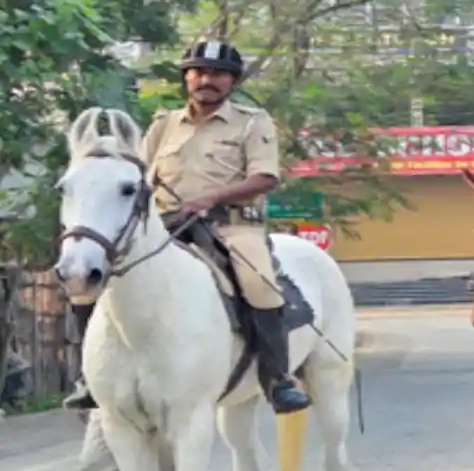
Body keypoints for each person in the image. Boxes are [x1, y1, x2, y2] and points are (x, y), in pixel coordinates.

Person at [62, 40, 311, 414]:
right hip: (167, 226)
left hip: (231, 227)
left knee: (259, 282)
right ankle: (91, 378)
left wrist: (210, 198)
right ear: (187, 78)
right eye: (197, 72)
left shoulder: (252, 123)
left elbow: (264, 178)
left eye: (216, 74)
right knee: (89, 277)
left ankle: (277, 380)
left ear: (232, 81)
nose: (205, 79)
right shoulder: (164, 125)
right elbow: (136, 175)